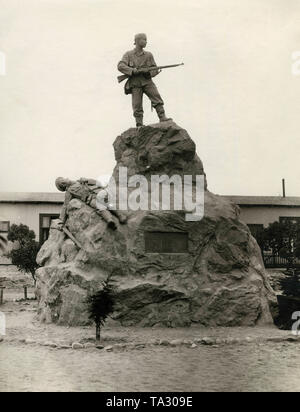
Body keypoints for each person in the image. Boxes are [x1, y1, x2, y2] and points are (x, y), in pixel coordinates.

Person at [118, 33, 172, 127]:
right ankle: (139, 123)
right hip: (135, 83)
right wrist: (132, 71)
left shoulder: (148, 55)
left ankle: (162, 116)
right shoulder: (128, 54)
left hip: (147, 81)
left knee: (156, 96)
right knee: (137, 104)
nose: (146, 42)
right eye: (144, 39)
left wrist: (148, 72)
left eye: (146, 40)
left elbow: (154, 69)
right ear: (138, 41)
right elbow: (120, 66)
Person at [55, 177, 127, 231]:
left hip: (96, 193)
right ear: (63, 186)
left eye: (63, 179)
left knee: (108, 203)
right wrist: (61, 221)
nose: (65, 180)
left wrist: (86, 180)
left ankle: (120, 215)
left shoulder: (79, 181)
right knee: (100, 207)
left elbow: (96, 182)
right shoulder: (69, 192)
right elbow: (65, 206)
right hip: (90, 199)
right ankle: (110, 220)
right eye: (62, 182)